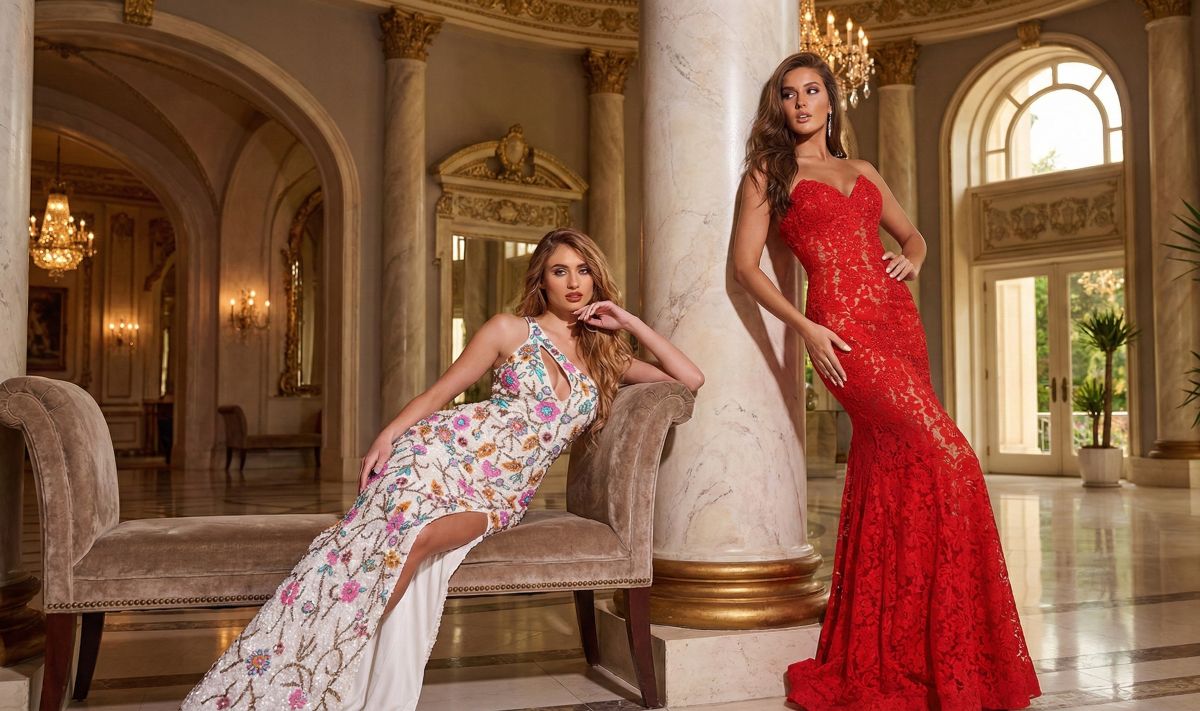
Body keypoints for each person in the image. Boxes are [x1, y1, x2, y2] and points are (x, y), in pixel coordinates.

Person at [183, 228, 703, 710]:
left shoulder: (604, 358)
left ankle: (332, 655)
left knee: (421, 540)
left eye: (583, 270)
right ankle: (318, 664)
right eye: (559, 271)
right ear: (540, 281)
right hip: (440, 455)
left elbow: (689, 379)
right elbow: (441, 392)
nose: (573, 282)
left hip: (502, 495)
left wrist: (628, 322)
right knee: (386, 545)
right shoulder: (509, 329)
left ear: (596, 278)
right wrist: (387, 436)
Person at [731, 52, 1041, 710]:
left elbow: (916, 236)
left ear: (831, 100)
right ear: (778, 108)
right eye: (789, 95)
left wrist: (911, 258)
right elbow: (745, 268)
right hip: (841, 330)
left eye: (812, 90)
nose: (802, 103)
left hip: (900, 325)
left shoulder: (863, 170)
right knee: (953, 458)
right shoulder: (769, 173)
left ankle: (910, 649)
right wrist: (806, 329)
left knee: (896, 474)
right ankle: (940, 647)